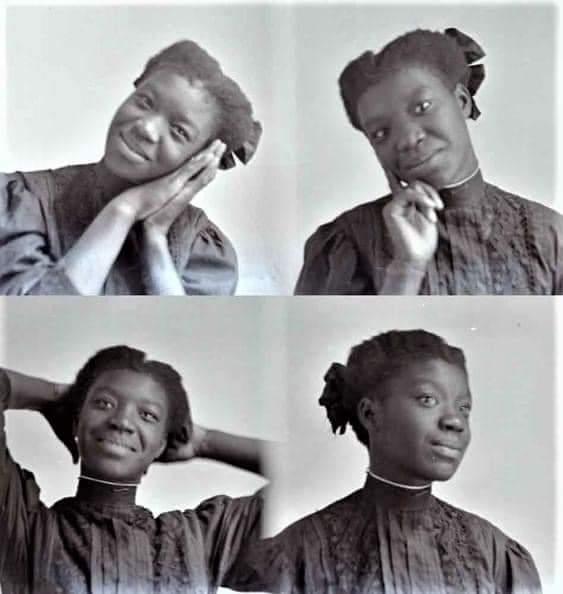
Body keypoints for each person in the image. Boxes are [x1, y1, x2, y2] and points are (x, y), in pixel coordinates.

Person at [234, 330, 542, 593]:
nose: (455, 421)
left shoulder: (495, 554)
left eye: (464, 408)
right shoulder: (303, 549)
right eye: (428, 399)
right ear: (370, 414)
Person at [295, 28, 563, 295]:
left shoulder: (550, 235)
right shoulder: (344, 243)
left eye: (422, 107)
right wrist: (407, 267)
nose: (408, 138)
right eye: (380, 132)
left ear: (462, 101)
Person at [0, 40, 261, 295]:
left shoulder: (202, 247)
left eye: (179, 131)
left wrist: (156, 238)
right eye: (145, 102)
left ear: (203, 159)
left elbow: (180, 324)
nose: (146, 128)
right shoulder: (20, 200)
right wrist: (123, 210)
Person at [0, 346, 266, 593]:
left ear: (161, 445)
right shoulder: (24, 529)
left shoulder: (199, 543)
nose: (122, 421)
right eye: (104, 403)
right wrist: (56, 396)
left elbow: (304, 474)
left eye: (147, 415)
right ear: (76, 422)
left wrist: (205, 442)